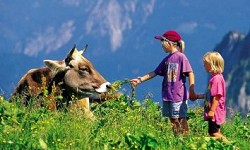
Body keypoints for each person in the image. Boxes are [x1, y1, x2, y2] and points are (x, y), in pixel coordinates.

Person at [130, 30, 196, 136]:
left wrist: (192, 89)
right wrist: (139, 80)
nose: (161, 46)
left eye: (162, 43)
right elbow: (155, 72)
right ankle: (177, 139)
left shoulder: (181, 57)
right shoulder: (167, 59)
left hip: (178, 96)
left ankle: (186, 139)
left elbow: (190, 73)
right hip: (168, 96)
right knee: (173, 120)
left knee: (181, 119)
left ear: (168, 43)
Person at [194, 51, 229, 142]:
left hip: (215, 111)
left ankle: (231, 146)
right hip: (214, 111)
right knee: (215, 131)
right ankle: (221, 146)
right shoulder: (215, 78)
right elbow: (209, 95)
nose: (204, 65)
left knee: (213, 133)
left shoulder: (216, 79)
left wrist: (212, 111)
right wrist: (197, 96)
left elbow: (217, 96)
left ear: (212, 64)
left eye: (206, 63)